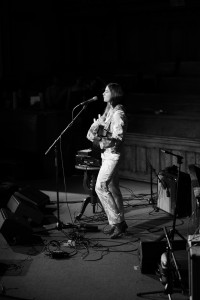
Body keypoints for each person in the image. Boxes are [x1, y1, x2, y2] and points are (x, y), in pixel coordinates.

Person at [86, 82, 128, 239]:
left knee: (100, 187)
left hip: (112, 155)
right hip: (107, 155)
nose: (103, 93)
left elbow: (118, 137)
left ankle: (117, 223)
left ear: (114, 94)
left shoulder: (118, 114)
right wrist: (98, 128)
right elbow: (95, 134)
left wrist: (99, 139)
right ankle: (118, 223)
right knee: (114, 189)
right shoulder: (109, 111)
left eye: (106, 91)